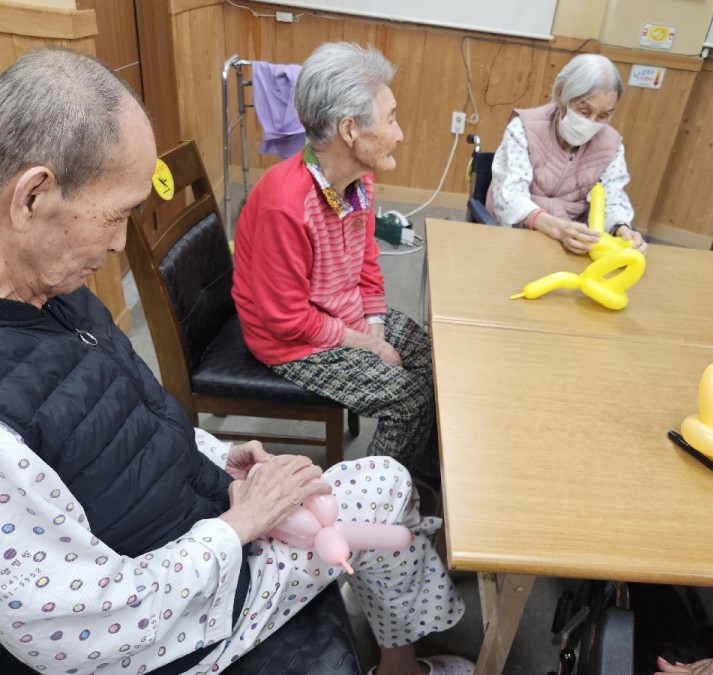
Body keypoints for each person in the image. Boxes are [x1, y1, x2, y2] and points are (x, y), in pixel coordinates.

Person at [0, 47, 472, 675]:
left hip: (201, 519)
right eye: (116, 216)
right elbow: (85, 631)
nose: (119, 244)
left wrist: (218, 455)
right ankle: (402, 660)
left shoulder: (57, 293)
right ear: (32, 196)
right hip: (186, 622)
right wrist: (239, 525)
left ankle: (397, 637)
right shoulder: (283, 200)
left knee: (413, 397)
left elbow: (126, 419)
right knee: (388, 481)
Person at [232, 42, 442, 490]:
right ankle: (368, 504)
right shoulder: (285, 204)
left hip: (340, 313)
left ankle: (419, 479)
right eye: (391, 119)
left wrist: (375, 325)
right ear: (349, 130)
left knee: (433, 361)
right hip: (291, 341)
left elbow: (367, 261)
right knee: (406, 400)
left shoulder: (359, 180)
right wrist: (367, 344)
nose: (400, 133)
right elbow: (286, 319)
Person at [487, 52, 648, 255]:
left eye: (603, 116)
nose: (591, 122)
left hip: (573, 244)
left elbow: (611, 200)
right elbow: (510, 196)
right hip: (519, 235)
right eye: (584, 111)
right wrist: (556, 228)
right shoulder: (524, 128)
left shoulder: (612, 145)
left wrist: (621, 228)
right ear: (562, 95)